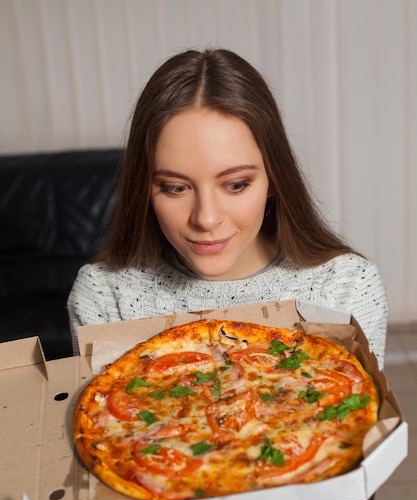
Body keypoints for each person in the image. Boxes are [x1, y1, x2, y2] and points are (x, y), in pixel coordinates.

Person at [67, 47, 388, 369]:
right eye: (175, 188)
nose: (206, 219)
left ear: (275, 178)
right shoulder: (105, 294)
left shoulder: (346, 285)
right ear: (144, 191)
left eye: (235, 185)